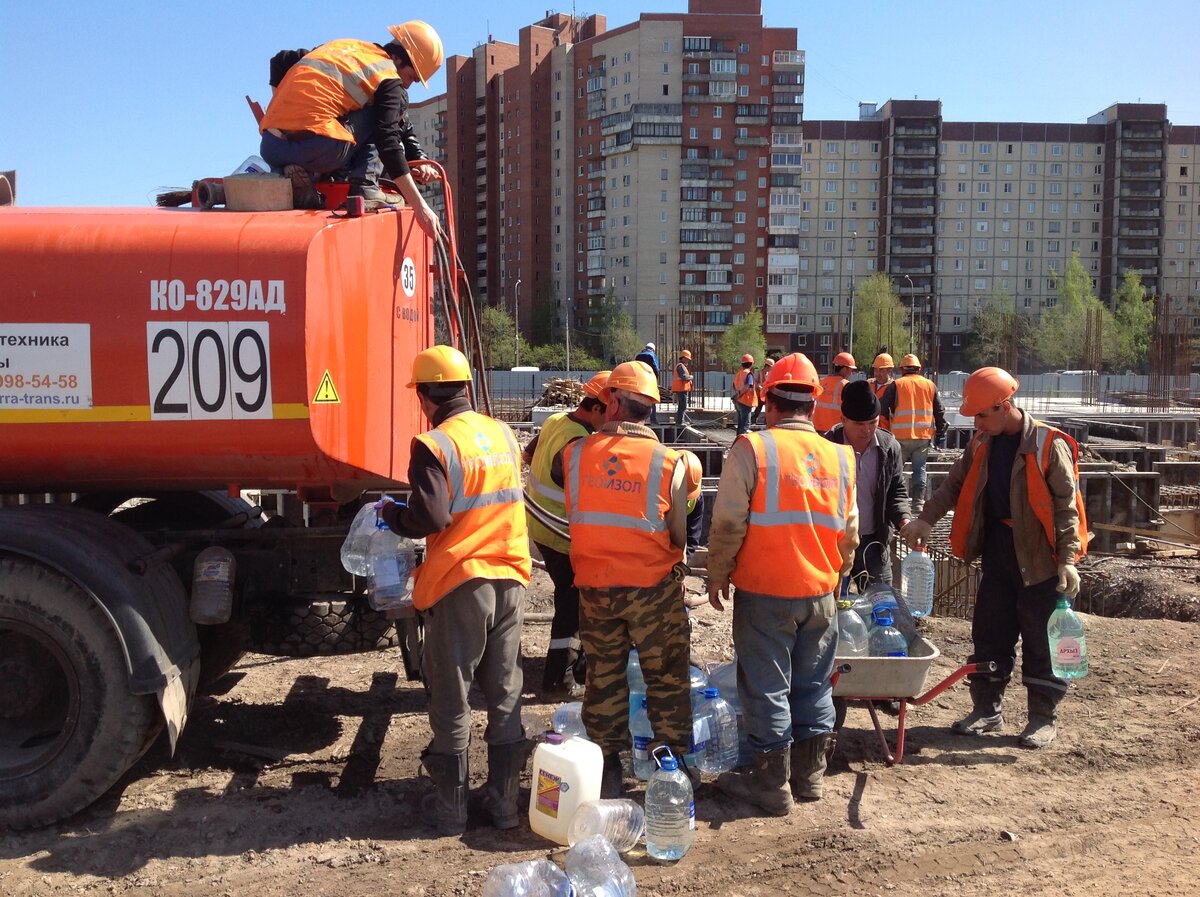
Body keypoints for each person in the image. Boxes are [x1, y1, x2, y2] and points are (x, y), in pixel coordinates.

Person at [378, 345, 531, 835]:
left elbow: (433, 517)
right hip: (511, 575)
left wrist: (392, 515)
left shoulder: (434, 445)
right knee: (506, 692)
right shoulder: (503, 433)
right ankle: (506, 807)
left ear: (423, 396)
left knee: (452, 696)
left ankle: (451, 812)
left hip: (462, 581)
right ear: (466, 388)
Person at [903, 367, 1087, 749]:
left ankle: (1041, 717)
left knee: (1040, 639)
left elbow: (1067, 507)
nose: (978, 425)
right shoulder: (981, 444)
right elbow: (954, 484)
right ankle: (987, 709)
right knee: (989, 633)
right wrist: (924, 520)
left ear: (1004, 407)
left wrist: (1068, 558)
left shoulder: (1047, 444)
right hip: (998, 551)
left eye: (982, 416)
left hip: (1038, 557)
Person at [707, 353, 859, 815]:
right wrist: (838, 577)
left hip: (766, 591)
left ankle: (772, 784)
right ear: (814, 406)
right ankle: (809, 777)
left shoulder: (752, 448)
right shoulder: (841, 456)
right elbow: (848, 532)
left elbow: (729, 522)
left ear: (768, 401)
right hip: (821, 590)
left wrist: (718, 573)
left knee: (766, 684)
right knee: (813, 681)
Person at [562, 360, 693, 797]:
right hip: (653, 590)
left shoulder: (575, 454)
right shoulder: (670, 462)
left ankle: (607, 770)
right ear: (651, 408)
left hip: (595, 587)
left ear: (613, 401)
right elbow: (678, 533)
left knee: (604, 675)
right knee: (667, 678)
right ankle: (673, 766)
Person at [259, 21, 444, 233]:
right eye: (411, 76)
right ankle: (366, 186)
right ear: (396, 58)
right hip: (319, 150)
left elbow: (280, 60)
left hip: (271, 146)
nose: (409, 84)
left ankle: (306, 178)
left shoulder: (343, 50)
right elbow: (388, 140)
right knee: (383, 109)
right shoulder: (390, 80)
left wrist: (288, 121)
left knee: (345, 114)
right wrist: (421, 208)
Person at [523, 371, 611, 698]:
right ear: (598, 408)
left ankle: (576, 664)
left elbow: (529, 455)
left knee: (572, 600)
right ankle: (557, 679)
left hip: (542, 527)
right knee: (572, 605)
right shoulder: (579, 443)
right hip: (561, 533)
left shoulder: (557, 419)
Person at [824, 379, 911, 588]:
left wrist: (904, 520)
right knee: (832, 608)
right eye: (859, 424)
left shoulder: (889, 448)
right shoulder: (827, 447)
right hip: (834, 544)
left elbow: (896, 490)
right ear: (843, 419)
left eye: (873, 423)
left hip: (874, 542)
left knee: (881, 607)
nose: (867, 430)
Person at [880, 353, 947, 513]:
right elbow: (939, 411)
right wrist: (940, 433)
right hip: (922, 437)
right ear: (919, 369)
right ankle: (918, 503)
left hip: (900, 437)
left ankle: (898, 504)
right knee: (920, 470)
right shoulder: (930, 385)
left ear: (902, 369)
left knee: (896, 471)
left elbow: (882, 408)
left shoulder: (897, 384)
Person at [811, 352, 857, 434]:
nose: (851, 373)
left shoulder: (821, 383)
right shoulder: (846, 386)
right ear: (844, 369)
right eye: (851, 370)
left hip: (817, 432)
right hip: (836, 434)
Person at [635, 343, 662, 424]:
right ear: (653, 349)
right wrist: (655, 380)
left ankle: (638, 420)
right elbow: (656, 369)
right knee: (652, 400)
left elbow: (635, 367)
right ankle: (653, 420)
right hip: (650, 380)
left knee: (639, 400)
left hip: (640, 380)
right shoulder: (652, 356)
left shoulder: (638, 356)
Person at [732, 354, 757, 436]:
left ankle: (737, 442)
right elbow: (747, 386)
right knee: (745, 425)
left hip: (738, 401)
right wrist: (739, 394)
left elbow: (734, 386)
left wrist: (735, 396)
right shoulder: (748, 374)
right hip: (745, 402)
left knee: (740, 424)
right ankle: (741, 444)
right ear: (751, 364)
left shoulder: (739, 374)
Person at [671, 350, 694, 427]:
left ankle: (680, 421)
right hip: (681, 389)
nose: (688, 360)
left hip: (681, 389)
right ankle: (680, 422)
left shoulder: (680, 366)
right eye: (687, 359)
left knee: (682, 405)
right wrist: (691, 377)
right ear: (683, 358)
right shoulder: (681, 366)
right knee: (683, 406)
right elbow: (684, 377)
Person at [750, 356, 775, 426]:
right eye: (771, 368)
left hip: (765, 394)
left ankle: (766, 422)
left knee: (768, 408)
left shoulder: (768, 374)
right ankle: (753, 421)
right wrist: (759, 386)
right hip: (759, 394)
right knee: (758, 408)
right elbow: (754, 381)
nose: (771, 369)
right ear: (767, 366)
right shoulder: (759, 373)